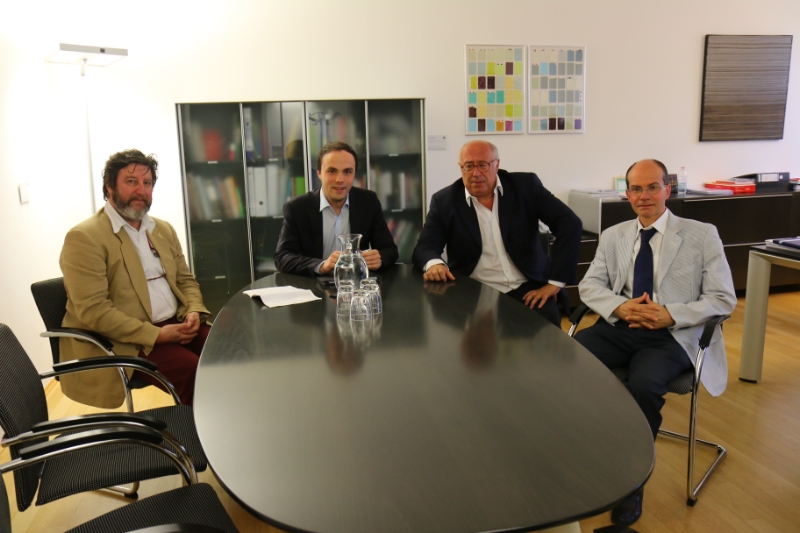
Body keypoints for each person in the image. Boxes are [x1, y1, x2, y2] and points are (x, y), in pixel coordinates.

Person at [575, 159, 737, 526]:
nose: (644, 196)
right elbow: (590, 285)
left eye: (652, 187)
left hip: (671, 335)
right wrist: (620, 306)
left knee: (644, 385)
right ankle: (587, 449)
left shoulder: (701, 234)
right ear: (627, 194)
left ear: (668, 189)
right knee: (566, 361)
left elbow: (723, 298)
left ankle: (631, 481)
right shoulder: (614, 235)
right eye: (636, 188)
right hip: (620, 327)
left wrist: (671, 314)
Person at [60, 149, 210, 408]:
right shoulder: (85, 237)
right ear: (109, 186)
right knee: (194, 371)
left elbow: (185, 280)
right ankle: (197, 431)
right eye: (131, 181)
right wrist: (157, 335)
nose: (141, 190)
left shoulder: (162, 229)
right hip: (128, 339)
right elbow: (94, 311)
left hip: (176, 323)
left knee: (227, 353)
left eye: (147, 183)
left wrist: (193, 310)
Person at [411, 140, 582, 326]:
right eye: (469, 166)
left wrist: (555, 283)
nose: (476, 173)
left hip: (528, 285)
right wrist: (435, 264)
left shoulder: (525, 187)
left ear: (497, 164)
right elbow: (425, 247)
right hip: (475, 289)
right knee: (465, 335)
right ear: (461, 168)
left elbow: (569, 224)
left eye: (483, 165)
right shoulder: (445, 201)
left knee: (546, 329)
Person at [274, 141, 398, 276]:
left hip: (356, 283)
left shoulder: (368, 202)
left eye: (347, 172)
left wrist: (378, 259)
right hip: (314, 284)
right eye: (332, 171)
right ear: (319, 173)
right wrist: (321, 265)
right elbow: (282, 257)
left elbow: (389, 250)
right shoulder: (297, 208)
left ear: (354, 173)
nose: (340, 179)